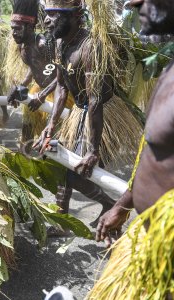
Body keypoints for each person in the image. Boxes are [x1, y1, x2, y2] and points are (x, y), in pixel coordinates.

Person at [87, 0, 174, 298]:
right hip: (147, 242)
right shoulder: (170, 68)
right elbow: (152, 152)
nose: (133, 2)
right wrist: (123, 205)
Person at [34, 0, 143, 230]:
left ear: (75, 16)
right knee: (61, 161)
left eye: (54, 14)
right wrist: (50, 126)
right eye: (47, 13)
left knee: (77, 173)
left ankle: (111, 206)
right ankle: (61, 219)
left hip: (102, 114)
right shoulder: (60, 41)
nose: (46, 20)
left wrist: (93, 150)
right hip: (80, 111)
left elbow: (95, 99)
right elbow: (62, 88)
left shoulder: (91, 46)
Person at [7, 0, 74, 153]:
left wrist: (43, 95)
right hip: (38, 90)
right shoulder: (22, 46)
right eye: (12, 29)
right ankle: (25, 159)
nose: (13, 33)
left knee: (53, 141)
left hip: (57, 93)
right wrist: (22, 86)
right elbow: (35, 68)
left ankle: (54, 169)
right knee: (27, 130)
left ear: (30, 26)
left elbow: (62, 74)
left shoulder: (44, 45)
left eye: (17, 29)